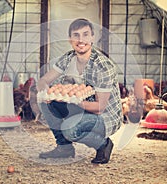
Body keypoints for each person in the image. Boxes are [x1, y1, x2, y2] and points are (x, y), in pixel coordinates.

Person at [37, 18, 123, 164]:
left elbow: (100, 107)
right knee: (44, 103)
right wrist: (47, 92)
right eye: (76, 35)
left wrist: (74, 100)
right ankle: (64, 148)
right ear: (70, 39)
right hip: (81, 106)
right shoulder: (68, 58)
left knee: (69, 129)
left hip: (105, 116)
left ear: (92, 37)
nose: (80, 39)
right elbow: (43, 81)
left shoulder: (103, 66)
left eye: (85, 34)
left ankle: (103, 144)